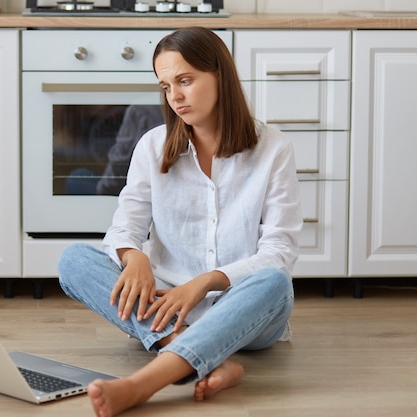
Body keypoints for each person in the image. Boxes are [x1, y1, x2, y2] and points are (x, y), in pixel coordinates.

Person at [57, 27, 302, 417]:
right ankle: (207, 357)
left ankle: (143, 384)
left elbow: (280, 253)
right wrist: (133, 257)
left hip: (248, 313)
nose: (175, 97)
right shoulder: (153, 145)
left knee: (275, 282)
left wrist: (203, 283)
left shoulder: (273, 149)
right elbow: (124, 228)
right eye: (166, 86)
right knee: (73, 260)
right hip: (166, 308)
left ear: (220, 75)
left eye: (185, 81)